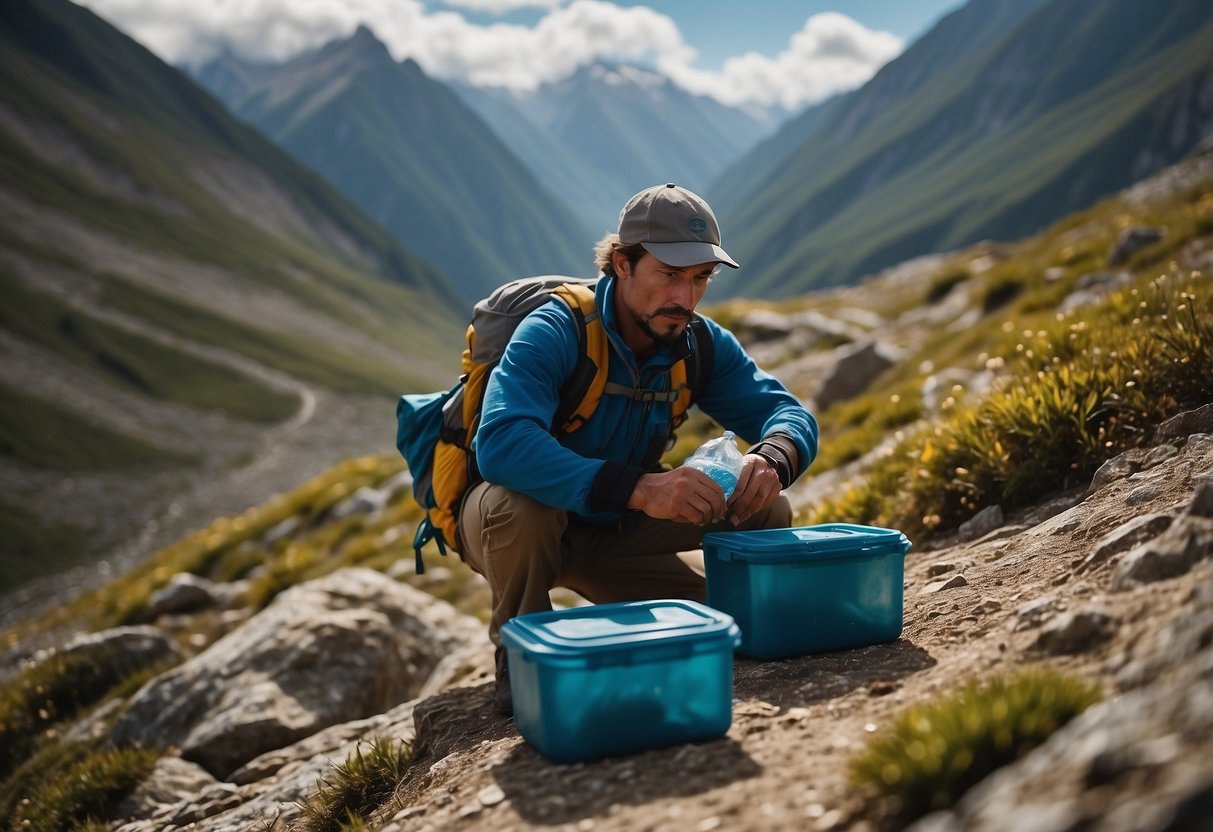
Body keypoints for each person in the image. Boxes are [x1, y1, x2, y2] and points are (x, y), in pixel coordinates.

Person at [459, 183, 819, 714]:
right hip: (515, 529)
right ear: (622, 264)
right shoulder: (556, 329)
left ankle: (751, 621)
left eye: (700, 278)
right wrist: (641, 488)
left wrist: (772, 457)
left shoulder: (698, 343)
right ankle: (524, 664)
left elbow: (788, 414)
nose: (685, 297)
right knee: (524, 505)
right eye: (669, 275)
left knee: (763, 505)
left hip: (612, 527)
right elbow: (502, 444)